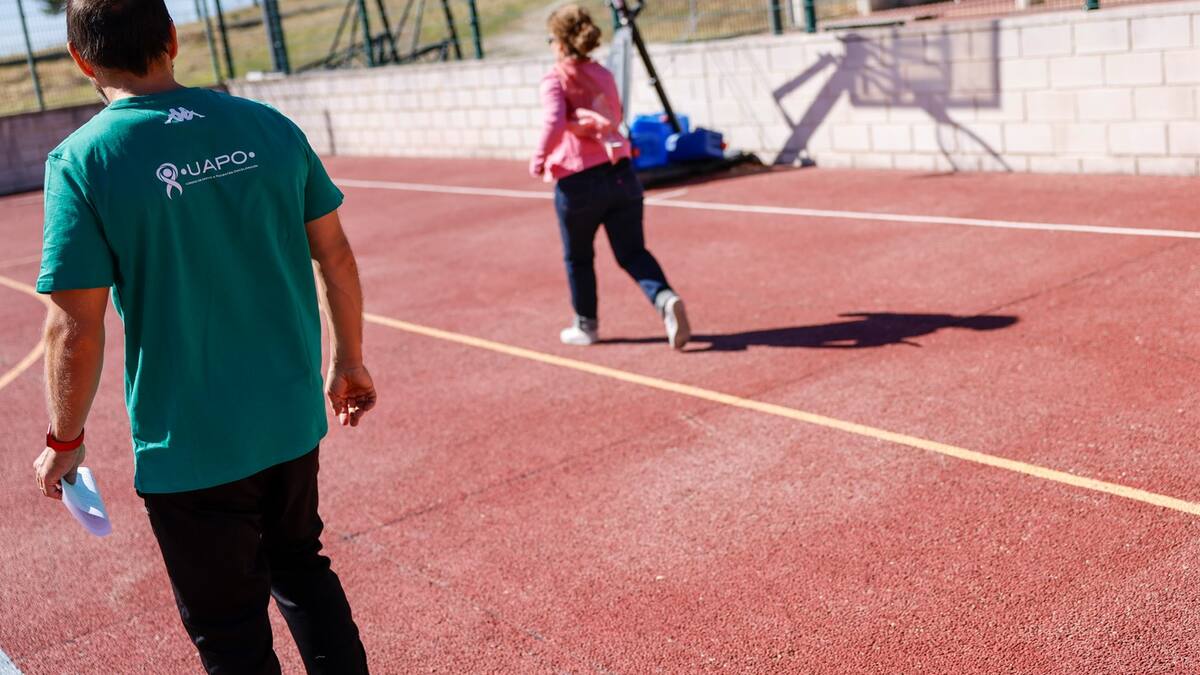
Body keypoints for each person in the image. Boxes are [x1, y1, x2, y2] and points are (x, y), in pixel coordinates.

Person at [30, 1, 374, 672]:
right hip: (289, 418)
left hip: (188, 444)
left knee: (229, 629)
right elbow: (336, 254)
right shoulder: (267, 125)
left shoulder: (82, 161)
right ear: (173, 39)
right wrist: (348, 361)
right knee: (303, 568)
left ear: (81, 60)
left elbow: (75, 325)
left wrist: (64, 441)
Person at [530, 4, 691, 349]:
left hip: (579, 182)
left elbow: (553, 122)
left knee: (578, 257)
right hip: (621, 174)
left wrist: (539, 158)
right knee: (633, 252)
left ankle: (586, 325)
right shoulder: (603, 74)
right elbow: (615, 116)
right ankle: (664, 298)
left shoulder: (555, 78)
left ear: (558, 42)